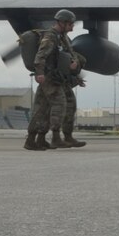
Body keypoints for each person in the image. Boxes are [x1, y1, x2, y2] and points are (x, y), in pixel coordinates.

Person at [25, 10, 80, 151]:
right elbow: (40, 56)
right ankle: (55, 138)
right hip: (49, 77)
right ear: (62, 23)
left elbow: (68, 55)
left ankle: (37, 139)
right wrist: (40, 73)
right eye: (70, 24)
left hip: (55, 76)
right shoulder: (50, 37)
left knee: (42, 109)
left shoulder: (62, 37)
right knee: (60, 103)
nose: (72, 27)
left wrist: (73, 69)